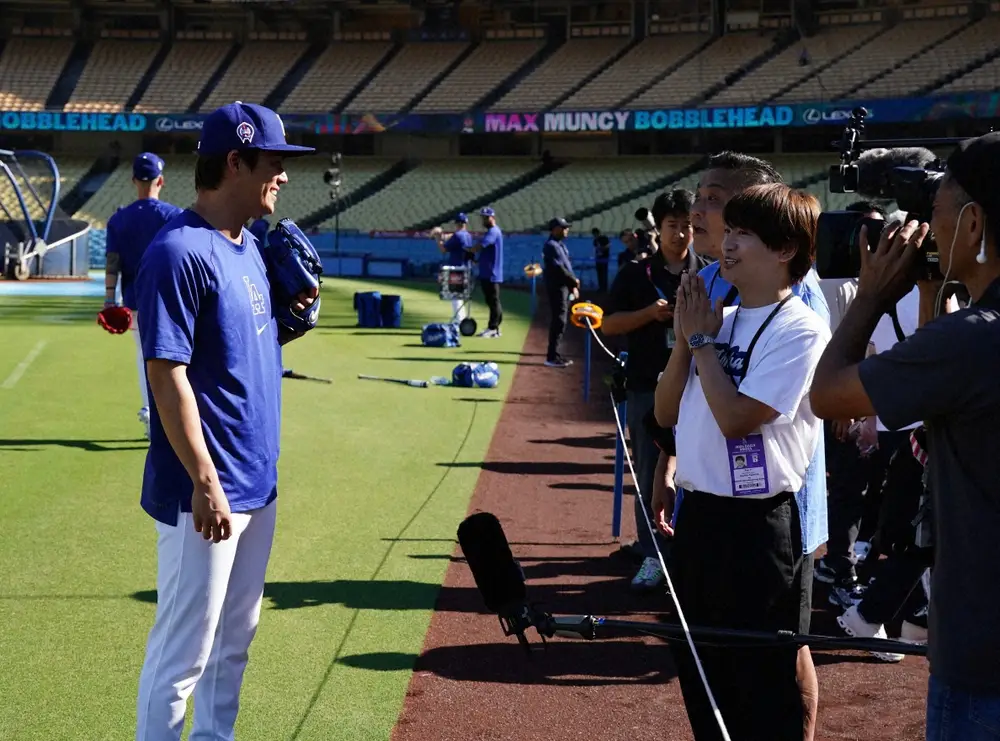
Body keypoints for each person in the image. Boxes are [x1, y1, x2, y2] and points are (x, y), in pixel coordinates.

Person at [133, 101, 318, 741]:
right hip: (205, 490)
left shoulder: (248, 248)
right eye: (274, 162)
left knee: (234, 644)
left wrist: (289, 322)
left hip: (256, 480)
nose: (284, 176)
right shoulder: (177, 251)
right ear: (235, 161)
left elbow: (241, 353)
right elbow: (166, 373)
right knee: (184, 653)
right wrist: (205, 481)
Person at [809, 132, 1000, 740]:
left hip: (982, 661)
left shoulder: (973, 340)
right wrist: (933, 287)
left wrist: (870, 296)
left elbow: (829, 394)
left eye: (937, 214)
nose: (930, 231)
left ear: (973, 225)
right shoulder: (970, 337)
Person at [654, 183, 830, 741]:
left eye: (744, 233)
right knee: (702, 675)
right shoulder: (720, 319)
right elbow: (663, 413)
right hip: (699, 518)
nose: (726, 244)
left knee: (761, 683)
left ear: (785, 250)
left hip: (758, 529)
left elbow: (735, 420)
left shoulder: (801, 328)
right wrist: (686, 341)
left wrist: (701, 343)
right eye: (728, 231)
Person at [602, 188, 710, 591]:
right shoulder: (635, 273)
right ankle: (652, 556)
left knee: (701, 470)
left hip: (701, 388)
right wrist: (648, 314)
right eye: (672, 226)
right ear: (658, 229)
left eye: (687, 226)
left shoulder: (709, 271)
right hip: (648, 387)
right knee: (651, 472)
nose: (680, 234)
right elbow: (608, 325)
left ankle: (690, 555)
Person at [103, 153, 183, 439]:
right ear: (161, 180)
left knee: (145, 358)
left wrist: (109, 300)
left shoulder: (119, 219)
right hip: (171, 300)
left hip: (136, 300)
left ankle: (151, 413)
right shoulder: (174, 216)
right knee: (180, 358)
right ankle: (181, 416)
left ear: (133, 180)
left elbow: (112, 262)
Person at [542, 217, 580, 367]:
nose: (566, 230)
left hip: (564, 287)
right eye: (563, 227)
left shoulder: (560, 246)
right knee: (559, 320)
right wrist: (573, 282)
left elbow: (566, 267)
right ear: (555, 229)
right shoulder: (551, 246)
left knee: (561, 321)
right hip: (557, 287)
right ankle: (552, 356)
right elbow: (559, 269)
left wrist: (573, 286)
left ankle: (555, 354)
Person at [434, 213, 474, 321]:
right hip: (466, 268)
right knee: (460, 295)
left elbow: (443, 249)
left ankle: (459, 320)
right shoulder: (468, 235)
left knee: (455, 295)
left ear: (456, 223)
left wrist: (438, 238)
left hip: (456, 269)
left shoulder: (457, 236)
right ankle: (462, 318)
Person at [471, 206, 504, 337]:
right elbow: (486, 252)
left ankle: (493, 328)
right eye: (482, 218)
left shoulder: (493, 231)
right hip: (488, 271)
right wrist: (477, 261)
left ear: (492, 217)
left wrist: (470, 250)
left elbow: (482, 245)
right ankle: (495, 328)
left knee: (493, 301)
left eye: (486, 217)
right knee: (492, 301)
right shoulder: (492, 231)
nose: (483, 220)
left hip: (491, 273)